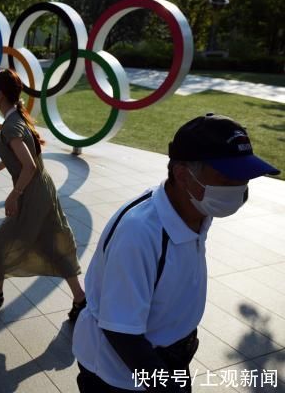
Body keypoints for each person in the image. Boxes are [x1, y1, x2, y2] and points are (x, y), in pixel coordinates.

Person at [72, 114, 280, 392]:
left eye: (245, 177)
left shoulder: (197, 209)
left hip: (169, 357)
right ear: (183, 174)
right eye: (229, 176)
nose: (240, 189)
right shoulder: (139, 234)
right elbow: (121, 333)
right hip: (122, 375)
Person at [0, 68, 86, 321]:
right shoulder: (17, 119)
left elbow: (29, 166)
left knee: (1, 241)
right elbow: (25, 158)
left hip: (32, 193)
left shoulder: (11, 125)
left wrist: (14, 194)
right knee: (52, 243)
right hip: (43, 189)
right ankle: (81, 299)